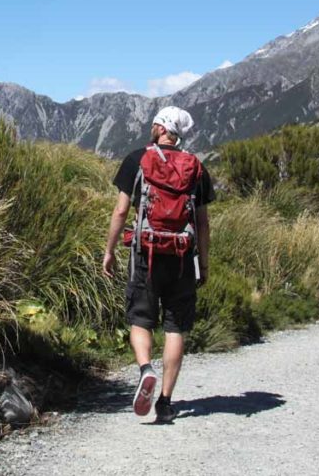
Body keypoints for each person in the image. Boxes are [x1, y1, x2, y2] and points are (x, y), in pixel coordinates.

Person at [102, 106, 214, 423]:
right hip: (182, 257)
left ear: (158, 128)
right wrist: (203, 266)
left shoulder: (137, 159)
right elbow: (203, 223)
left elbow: (121, 211)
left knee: (141, 319)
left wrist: (109, 251)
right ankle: (165, 403)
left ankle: (145, 369)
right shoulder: (196, 167)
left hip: (145, 254)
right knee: (175, 328)